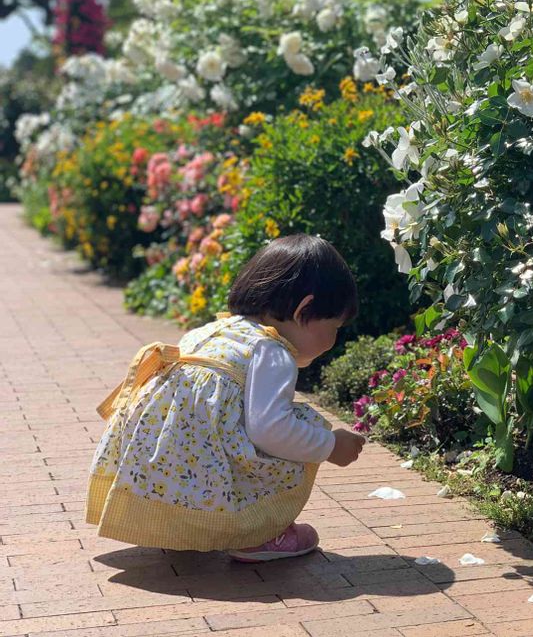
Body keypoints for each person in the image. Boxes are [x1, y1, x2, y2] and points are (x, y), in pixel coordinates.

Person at [86, 234, 367, 562]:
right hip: (199, 455)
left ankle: (183, 525)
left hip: (162, 466)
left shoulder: (215, 330)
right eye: (334, 327)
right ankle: (257, 535)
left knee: (229, 426)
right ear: (305, 310)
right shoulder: (272, 352)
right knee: (299, 425)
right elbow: (271, 430)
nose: (334, 340)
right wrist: (330, 445)